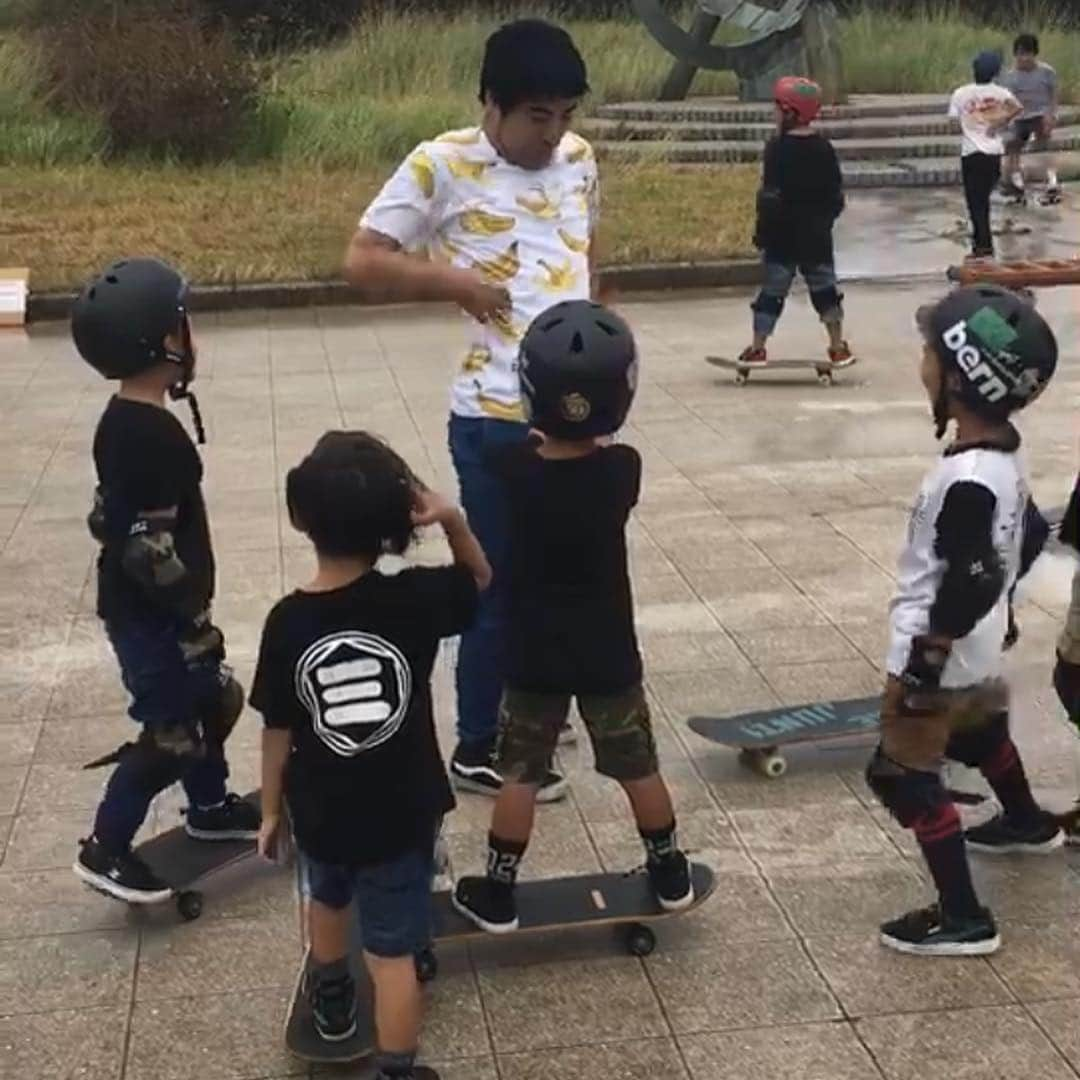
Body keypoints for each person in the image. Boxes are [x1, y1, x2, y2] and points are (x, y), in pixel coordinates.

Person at [344, 18, 600, 803]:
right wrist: (456, 284)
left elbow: (590, 254)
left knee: (563, 574)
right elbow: (362, 261)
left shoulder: (580, 160)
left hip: (580, 413)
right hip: (493, 418)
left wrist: (608, 338)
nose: (553, 134)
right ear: (490, 103)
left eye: (565, 115)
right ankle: (478, 744)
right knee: (496, 581)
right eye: (535, 117)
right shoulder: (441, 163)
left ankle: (537, 707)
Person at [252, 432, 490, 1079]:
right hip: (400, 810)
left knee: (327, 903)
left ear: (300, 519)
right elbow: (480, 579)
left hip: (320, 810)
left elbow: (277, 727)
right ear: (395, 523)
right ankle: (397, 1068)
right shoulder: (412, 598)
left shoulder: (286, 621)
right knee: (392, 956)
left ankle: (332, 1001)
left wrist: (271, 810)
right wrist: (452, 518)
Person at [451, 300, 693, 932]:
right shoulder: (621, 470)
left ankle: (499, 892)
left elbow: (515, 447)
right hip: (608, 654)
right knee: (637, 765)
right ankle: (669, 872)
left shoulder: (511, 471)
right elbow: (599, 445)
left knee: (520, 775)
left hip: (532, 656)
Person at [866, 283, 1064, 958]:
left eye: (928, 353)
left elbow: (972, 571)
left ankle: (963, 915)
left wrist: (926, 662)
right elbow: (1031, 532)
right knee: (979, 737)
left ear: (957, 376)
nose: (920, 363)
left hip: (938, 649)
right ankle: (1027, 822)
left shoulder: (967, 480)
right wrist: (1000, 608)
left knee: (901, 775)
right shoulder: (1004, 452)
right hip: (975, 646)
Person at [71, 257, 261, 902]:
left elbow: (107, 516)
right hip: (151, 616)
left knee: (211, 702)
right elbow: (145, 550)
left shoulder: (120, 420)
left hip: (145, 610)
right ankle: (107, 846)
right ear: (165, 342)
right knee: (172, 733)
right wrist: (193, 619)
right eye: (185, 324)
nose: (193, 335)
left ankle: (208, 810)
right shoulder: (155, 436)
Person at [741, 75, 851, 369]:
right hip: (816, 237)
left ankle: (757, 347)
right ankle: (837, 346)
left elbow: (769, 197)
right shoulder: (824, 149)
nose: (774, 113)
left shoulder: (776, 149)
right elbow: (836, 196)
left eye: (777, 107)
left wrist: (762, 233)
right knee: (826, 291)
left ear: (791, 112)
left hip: (782, 236)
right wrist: (825, 221)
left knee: (771, 293)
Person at [948, 51, 1022, 260]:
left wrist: (968, 124)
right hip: (993, 152)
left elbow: (953, 123)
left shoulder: (961, 93)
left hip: (971, 153)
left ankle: (983, 245)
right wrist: (999, 123)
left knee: (975, 202)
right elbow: (1017, 108)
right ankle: (982, 242)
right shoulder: (1001, 93)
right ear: (995, 72)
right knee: (983, 199)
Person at [1000, 33, 1060, 205]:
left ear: (1034, 54)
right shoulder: (1010, 76)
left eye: (1027, 54)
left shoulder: (1047, 72)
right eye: (1020, 54)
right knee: (1013, 143)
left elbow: (1054, 96)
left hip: (1041, 114)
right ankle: (1016, 179)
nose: (1024, 59)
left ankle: (1051, 180)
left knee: (1044, 143)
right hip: (1020, 116)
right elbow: (1008, 102)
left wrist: (1052, 115)